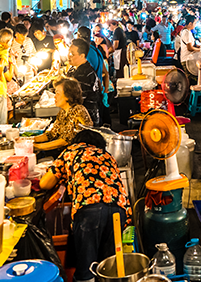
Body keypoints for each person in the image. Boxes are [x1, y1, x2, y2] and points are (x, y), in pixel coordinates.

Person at [39, 130, 131, 282]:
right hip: (119, 209)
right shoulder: (107, 155)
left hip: (90, 209)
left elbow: (45, 183)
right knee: (109, 269)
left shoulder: (71, 151)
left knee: (86, 270)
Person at [34, 78, 93, 154]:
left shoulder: (79, 111)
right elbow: (51, 134)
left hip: (79, 154)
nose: (55, 97)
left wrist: (38, 147)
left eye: (58, 93)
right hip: (66, 152)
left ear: (68, 96)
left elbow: (65, 141)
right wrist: (31, 140)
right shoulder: (62, 112)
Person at [67, 39, 101, 127]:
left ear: (82, 56)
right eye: (69, 52)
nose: (68, 56)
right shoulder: (76, 69)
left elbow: (77, 99)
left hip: (86, 119)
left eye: (72, 54)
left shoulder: (83, 74)